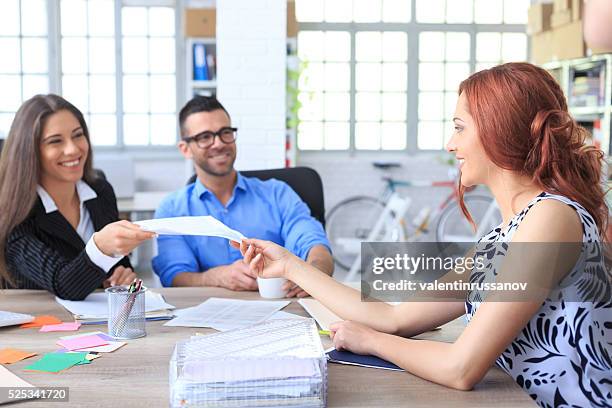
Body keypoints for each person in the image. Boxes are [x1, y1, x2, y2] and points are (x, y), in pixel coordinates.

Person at [235, 63, 611, 407]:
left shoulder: (550, 217)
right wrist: (289, 266)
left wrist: (372, 342)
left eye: (460, 127)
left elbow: (461, 368)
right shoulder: (507, 234)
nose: (451, 144)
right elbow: (395, 316)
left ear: (499, 129)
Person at [152, 96, 332, 296]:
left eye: (225, 132)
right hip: (209, 317)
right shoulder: (172, 209)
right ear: (185, 149)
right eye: (205, 137)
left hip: (283, 311)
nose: (219, 143)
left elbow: (314, 244)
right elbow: (175, 275)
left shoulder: (278, 193)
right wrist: (215, 277)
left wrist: (314, 275)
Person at [0, 94, 155, 300]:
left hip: (96, 321)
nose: (73, 149)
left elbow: (118, 262)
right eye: (55, 141)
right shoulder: (14, 210)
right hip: (37, 325)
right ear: (30, 151)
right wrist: (100, 246)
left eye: (78, 135)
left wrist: (122, 275)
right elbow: (63, 284)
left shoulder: (100, 190)